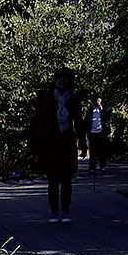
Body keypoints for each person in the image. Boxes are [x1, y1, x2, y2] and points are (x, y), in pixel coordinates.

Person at [29, 68, 86, 223]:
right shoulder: (47, 98)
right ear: (55, 80)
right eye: (59, 78)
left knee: (66, 178)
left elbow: (79, 122)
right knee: (53, 179)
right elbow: (38, 121)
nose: (62, 81)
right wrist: (34, 143)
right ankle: (54, 211)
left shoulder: (73, 99)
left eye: (65, 78)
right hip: (50, 142)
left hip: (67, 142)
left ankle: (66, 210)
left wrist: (83, 142)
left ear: (70, 81)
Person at [85, 93, 111, 172]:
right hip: (92, 133)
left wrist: (101, 109)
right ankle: (92, 167)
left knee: (102, 150)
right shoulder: (90, 109)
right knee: (92, 151)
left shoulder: (106, 108)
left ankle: (103, 166)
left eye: (99, 99)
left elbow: (108, 116)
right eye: (96, 99)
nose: (97, 101)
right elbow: (86, 120)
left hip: (102, 132)